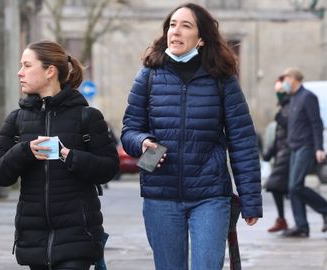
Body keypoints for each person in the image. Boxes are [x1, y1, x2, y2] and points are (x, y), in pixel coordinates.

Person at [121, 3, 262, 270]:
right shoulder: (148, 76)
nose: (176, 31)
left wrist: (251, 200)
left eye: (185, 26)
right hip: (160, 195)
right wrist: (141, 142)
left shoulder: (222, 79)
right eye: (172, 25)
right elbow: (129, 131)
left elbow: (242, 140)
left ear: (200, 38)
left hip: (209, 196)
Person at [0, 40, 119, 270]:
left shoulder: (87, 117)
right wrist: (24, 151)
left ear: (50, 71)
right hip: (33, 241)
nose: (20, 73)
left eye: (27, 66)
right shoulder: (16, 120)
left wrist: (70, 156)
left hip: (79, 237)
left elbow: (109, 168)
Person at [279, 67, 327, 238]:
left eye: (285, 78)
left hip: (306, 146)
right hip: (294, 147)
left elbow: (316, 123)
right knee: (293, 189)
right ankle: (301, 226)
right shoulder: (293, 98)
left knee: (295, 186)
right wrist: (280, 96)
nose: (284, 82)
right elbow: (284, 119)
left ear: (293, 78)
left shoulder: (308, 97)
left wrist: (319, 148)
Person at [262, 76, 291, 233]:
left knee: (277, 185)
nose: (277, 93)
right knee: (284, 188)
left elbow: (292, 129)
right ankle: (283, 220)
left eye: (279, 90)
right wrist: (268, 154)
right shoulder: (284, 107)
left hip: (288, 153)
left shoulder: (290, 105)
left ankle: (326, 210)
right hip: (282, 153)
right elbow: (279, 136)